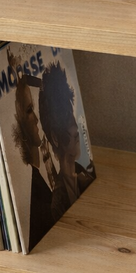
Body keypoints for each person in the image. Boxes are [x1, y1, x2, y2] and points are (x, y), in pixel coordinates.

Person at [38, 62, 95, 222]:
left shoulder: (85, 177)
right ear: (55, 138)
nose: (75, 126)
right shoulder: (57, 203)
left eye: (71, 113)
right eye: (65, 119)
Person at [11, 73, 54, 250]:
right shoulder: (30, 186)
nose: (36, 119)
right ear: (18, 121)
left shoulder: (38, 174)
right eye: (29, 110)